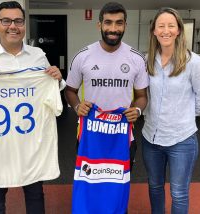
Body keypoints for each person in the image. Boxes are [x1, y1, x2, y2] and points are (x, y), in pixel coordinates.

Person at [0, 1, 66, 214]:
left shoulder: (37, 54)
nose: (13, 26)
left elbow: (53, 87)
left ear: (24, 25)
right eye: (6, 21)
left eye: (18, 21)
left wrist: (57, 78)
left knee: (35, 192)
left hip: (31, 139)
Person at [64, 2, 149, 213]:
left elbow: (141, 96)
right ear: (99, 24)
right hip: (90, 135)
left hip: (122, 135)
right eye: (108, 22)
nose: (113, 28)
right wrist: (76, 106)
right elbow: (70, 90)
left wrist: (137, 111)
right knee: (90, 183)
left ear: (125, 26)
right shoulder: (83, 56)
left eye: (119, 23)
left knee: (119, 186)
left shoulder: (136, 59)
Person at [141, 7, 200, 214]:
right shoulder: (145, 61)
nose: (166, 30)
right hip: (150, 139)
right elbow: (141, 93)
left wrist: (182, 117)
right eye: (161, 26)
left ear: (179, 30)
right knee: (154, 187)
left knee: (179, 193)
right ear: (154, 31)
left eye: (171, 26)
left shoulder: (195, 63)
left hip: (181, 140)